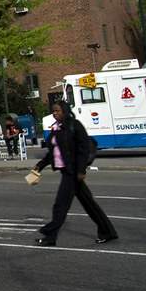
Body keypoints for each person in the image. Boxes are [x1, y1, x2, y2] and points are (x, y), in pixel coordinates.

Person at [32, 100, 117, 246]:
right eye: (53, 111)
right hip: (67, 171)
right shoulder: (57, 128)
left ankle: (50, 234)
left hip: (72, 172)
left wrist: (81, 170)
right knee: (90, 205)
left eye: (57, 111)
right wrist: (41, 165)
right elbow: (53, 151)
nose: (55, 113)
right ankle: (108, 232)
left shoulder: (74, 126)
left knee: (60, 205)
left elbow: (84, 149)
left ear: (65, 111)